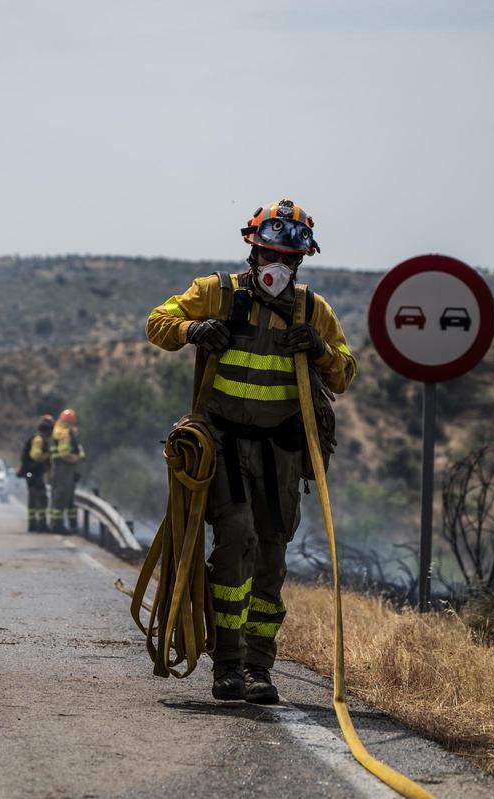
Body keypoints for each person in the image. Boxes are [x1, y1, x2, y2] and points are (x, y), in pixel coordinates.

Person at [145, 199, 357, 704]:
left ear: (300, 262)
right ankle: (228, 663)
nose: (276, 267)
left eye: (287, 260)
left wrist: (321, 350)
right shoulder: (215, 293)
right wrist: (192, 329)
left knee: (270, 555)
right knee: (236, 540)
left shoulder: (312, 310)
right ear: (253, 252)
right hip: (223, 447)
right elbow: (157, 322)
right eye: (269, 255)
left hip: (280, 452)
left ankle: (259, 667)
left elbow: (345, 373)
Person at [48, 408, 85, 534]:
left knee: (58, 497)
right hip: (63, 470)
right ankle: (57, 525)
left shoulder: (57, 431)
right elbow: (64, 454)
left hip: (59, 469)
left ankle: (54, 523)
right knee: (61, 496)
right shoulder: (64, 434)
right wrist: (77, 459)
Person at [18, 414, 55, 532]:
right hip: (34, 474)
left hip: (31, 473)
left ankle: (33, 524)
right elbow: (36, 456)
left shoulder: (37, 439)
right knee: (42, 499)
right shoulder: (38, 440)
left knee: (33, 499)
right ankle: (41, 525)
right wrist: (47, 455)